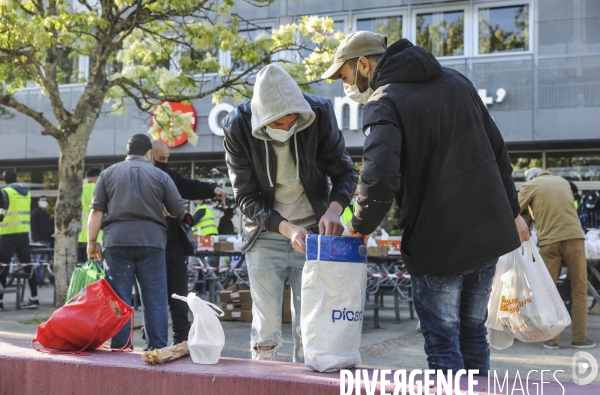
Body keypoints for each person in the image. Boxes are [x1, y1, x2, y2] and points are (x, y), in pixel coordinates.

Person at [323, 32, 529, 373]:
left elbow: (379, 176)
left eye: (345, 77)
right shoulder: (457, 81)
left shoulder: (383, 101)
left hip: (438, 241)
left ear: (363, 64)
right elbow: (497, 150)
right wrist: (512, 212)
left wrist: (360, 226)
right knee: (473, 333)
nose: (346, 86)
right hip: (488, 232)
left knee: (444, 340)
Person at [223, 64, 358, 362]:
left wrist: (335, 210)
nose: (287, 129)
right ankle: (263, 384)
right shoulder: (237, 126)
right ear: (263, 121)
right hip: (264, 233)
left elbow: (346, 173)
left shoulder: (319, 113)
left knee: (310, 324)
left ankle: (305, 386)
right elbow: (244, 196)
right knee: (266, 327)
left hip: (313, 233)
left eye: (293, 122)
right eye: (279, 125)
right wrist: (285, 227)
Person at [87, 134, 185, 350]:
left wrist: (91, 242)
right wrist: (164, 211)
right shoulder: (160, 176)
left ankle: (122, 347)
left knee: (120, 299)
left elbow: (96, 212)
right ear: (149, 153)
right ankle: (157, 348)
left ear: (127, 151)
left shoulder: (107, 174)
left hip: (116, 243)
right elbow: (178, 209)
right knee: (155, 298)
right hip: (152, 242)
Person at [151, 139, 227, 345]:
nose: (165, 163)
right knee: (154, 297)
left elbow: (190, 186)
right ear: (149, 156)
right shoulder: (140, 178)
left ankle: (182, 339)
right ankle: (154, 339)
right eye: (161, 159)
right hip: (151, 246)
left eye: (167, 159)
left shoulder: (170, 177)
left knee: (178, 295)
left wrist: (214, 189)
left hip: (174, 246)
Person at [519, 168, 594, 349]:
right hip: (575, 238)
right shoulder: (563, 182)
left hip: (550, 242)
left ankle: (552, 340)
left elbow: (513, 209)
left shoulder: (531, 185)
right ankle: (579, 339)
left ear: (530, 177)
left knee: (549, 291)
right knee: (579, 289)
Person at [0, 169, 39, 310]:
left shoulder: (5, 192)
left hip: (8, 234)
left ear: (5, 181)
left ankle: (0, 301)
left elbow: (0, 214)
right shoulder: (27, 193)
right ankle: (34, 298)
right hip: (23, 235)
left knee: (3, 267)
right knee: (28, 266)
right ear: (17, 178)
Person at [78, 168, 102, 264]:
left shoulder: (78, 190)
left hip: (77, 237)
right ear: (97, 178)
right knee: (94, 270)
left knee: (78, 270)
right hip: (95, 237)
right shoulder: (98, 190)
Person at [30, 195, 54, 285]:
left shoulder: (46, 214)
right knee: (37, 262)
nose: (44, 202)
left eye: (46, 200)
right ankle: (35, 280)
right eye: (42, 200)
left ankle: (40, 280)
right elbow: (34, 227)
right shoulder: (35, 213)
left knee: (42, 263)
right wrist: (36, 240)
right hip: (39, 241)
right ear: (38, 202)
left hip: (46, 241)